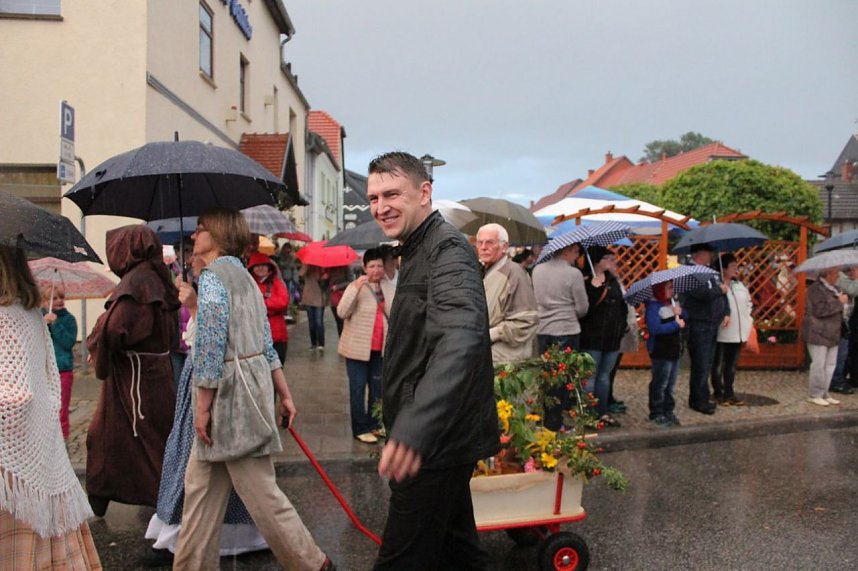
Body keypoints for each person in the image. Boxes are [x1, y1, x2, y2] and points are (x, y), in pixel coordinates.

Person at [172, 208, 334, 571]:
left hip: (230, 401)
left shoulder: (213, 278)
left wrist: (202, 407)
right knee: (200, 494)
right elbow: (265, 343)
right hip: (249, 391)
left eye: (200, 229)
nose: (194, 236)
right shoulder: (245, 277)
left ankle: (313, 564)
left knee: (262, 495)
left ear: (217, 234)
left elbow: (210, 348)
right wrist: (284, 393)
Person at [367, 152, 498, 570]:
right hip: (441, 436)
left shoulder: (447, 249)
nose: (380, 207)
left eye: (392, 194)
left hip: (437, 441)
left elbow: (460, 339)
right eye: (373, 198)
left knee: (400, 560)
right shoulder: (417, 248)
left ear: (424, 193)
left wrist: (416, 426)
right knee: (457, 551)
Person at [144, 254, 268, 566]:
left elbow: (215, 341)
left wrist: (195, 306)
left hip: (210, 381)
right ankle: (186, 543)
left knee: (209, 465)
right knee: (202, 472)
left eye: (199, 243)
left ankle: (189, 540)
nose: (192, 257)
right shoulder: (214, 281)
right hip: (201, 377)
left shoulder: (217, 283)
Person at [0, 245, 102, 569]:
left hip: (13, 469)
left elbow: (14, 398)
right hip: (37, 458)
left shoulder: (5, 317)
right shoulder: (29, 313)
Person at [85, 225, 179, 517]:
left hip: (137, 381)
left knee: (141, 441)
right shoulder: (154, 278)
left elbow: (117, 328)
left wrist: (100, 343)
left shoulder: (138, 281)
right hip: (149, 374)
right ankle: (102, 493)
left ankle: (164, 506)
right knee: (113, 437)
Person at [337, 248, 395, 444]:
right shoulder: (356, 286)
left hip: (381, 349)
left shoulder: (388, 287)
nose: (376, 270)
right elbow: (342, 312)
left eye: (379, 266)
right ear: (364, 267)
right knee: (358, 390)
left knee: (378, 390)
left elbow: (394, 314)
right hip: (357, 349)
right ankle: (360, 428)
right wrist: (355, 288)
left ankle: (375, 424)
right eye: (372, 266)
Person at [532, 242, 589, 430]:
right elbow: (582, 307)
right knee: (562, 377)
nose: (577, 256)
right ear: (567, 251)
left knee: (544, 375)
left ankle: (543, 416)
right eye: (576, 252)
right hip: (566, 328)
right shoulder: (573, 274)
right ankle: (555, 421)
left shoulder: (537, 270)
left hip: (542, 328)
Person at [579, 246, 628, 427]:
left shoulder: (612, 280)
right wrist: (593, 289)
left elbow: (622, 306)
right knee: (590, 377)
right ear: (597, 260)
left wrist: (622, 327)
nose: (611, 261)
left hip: (612, 337)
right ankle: (589, 414)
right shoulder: (586, 280)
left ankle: (602, 411)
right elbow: (585, 308)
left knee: (604, 376)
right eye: (607, 258)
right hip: (592, 336)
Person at [476, 223, 538, 365]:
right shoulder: (484, 271)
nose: (483, 247)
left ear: (504, 247)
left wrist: (493, 334)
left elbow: (527, 321)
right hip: (489, 357)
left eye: (490, 242)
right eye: (480, 242)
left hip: (507, 361)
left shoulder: (515, 273)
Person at [680, 243, 729, 415]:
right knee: (700, 364)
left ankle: (703, 395)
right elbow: (702, 294)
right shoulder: (689, 272)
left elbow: (722, 293)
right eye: (707, 253)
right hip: (699, 323)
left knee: (707, 363)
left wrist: (726, 311)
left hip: (712, 323)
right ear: (698, 254)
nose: (710, 256)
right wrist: (719, 290)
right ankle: (698, 400)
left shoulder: (711, 272)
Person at [711, 253, 754, 406]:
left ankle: (729, 392)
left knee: (731, 365)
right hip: (722, 332)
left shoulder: (739, 286)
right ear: (724, 268)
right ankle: (718, 392)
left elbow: (748, 303)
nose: (736, 269)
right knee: (718, 364)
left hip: (738, 332)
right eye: (733, 266)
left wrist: (748, 319)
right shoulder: (716, 285)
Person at [803, 265, 848, 407]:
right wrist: (839, 303)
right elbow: (820, 310)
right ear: (828, 274)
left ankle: (824, 392)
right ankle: (815, 394)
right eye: (836, 273)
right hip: (818, 332)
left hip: (833, 332)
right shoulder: (815, 289)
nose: (838, 276)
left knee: (830, 365)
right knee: (819, 364)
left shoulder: (835, 288)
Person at [645, 281, 685, 427]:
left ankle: (668, 410)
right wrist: (675, 324)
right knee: (660, 382)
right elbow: (655, 328)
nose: (672, 291)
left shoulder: (673, 304)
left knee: (671, 384)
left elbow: (684, 317)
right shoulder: (654, 306)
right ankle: (656, 411)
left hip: (674, 350)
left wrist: (680, 312)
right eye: (669, 288)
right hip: (661, 350)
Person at [40, 284, 78, 439]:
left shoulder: (69, 320)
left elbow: (68, 342)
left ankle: (63, 439)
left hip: (63, 371)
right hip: (43, 371)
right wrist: (43, 325)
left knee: (61, 408)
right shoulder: (39, 318)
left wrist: (56, 324)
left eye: (61, 297)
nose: (59, 301)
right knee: (44, 408)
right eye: (54, 298)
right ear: (44, 302)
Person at [248, 252, 290, 363]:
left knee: (278, 369)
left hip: (277, 336)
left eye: (263, 265)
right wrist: (271, 307)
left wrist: (262, 304)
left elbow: (283, 302)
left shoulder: (277, 283)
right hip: (256, 338)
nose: (261, 268)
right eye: (257, 266)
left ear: (269, 267)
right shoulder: (249, 285)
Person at [830, 266, 858, 394]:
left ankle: (843, 378)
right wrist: (856, 277)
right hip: (841, 321)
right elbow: (853, 291)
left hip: (848, 321)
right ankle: (836, 380)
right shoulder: (840, 278)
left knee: (846, 353)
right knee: (841, 354)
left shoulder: (845, 278)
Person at [300, 264, 327, 351]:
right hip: (309, 297)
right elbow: (301, 274)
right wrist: (307, 266)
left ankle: (321, 344)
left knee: (319, 322)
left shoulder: (322, 266)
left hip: (319, 297)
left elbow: (325, 283)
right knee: (311, 323)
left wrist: (323, 276)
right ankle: (313, 343)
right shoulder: (306, 265)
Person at [327, 265, 351, 337]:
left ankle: (345, 339)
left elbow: (350, 281)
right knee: (338, 322)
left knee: (343, 322)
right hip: (333, 299)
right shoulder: (328, 268)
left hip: (343, 297)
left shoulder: (345, 267)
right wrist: (324, 278)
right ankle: (341, 339)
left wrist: (338, 287)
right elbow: (323, 286)